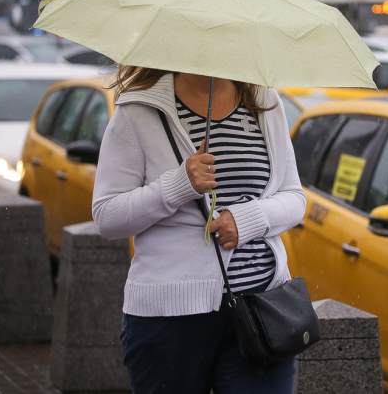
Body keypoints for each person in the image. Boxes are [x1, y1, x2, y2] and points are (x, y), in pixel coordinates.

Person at [92, 66, 306, 394]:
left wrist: (247, 219)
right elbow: (107, 216)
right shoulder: (138, 110)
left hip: (262, 309)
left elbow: (294, 198)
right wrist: (179, 185)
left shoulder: (264, 102)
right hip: (169, 321)